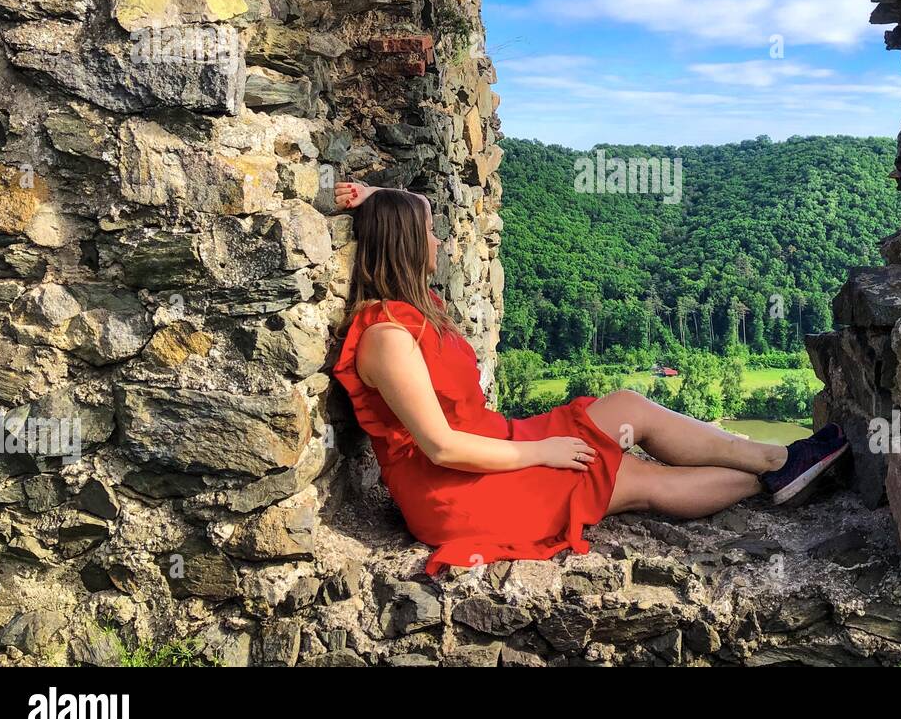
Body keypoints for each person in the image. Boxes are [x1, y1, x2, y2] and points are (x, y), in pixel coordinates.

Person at [329, 180, 848, 576]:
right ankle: (771, 481)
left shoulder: (412, 311)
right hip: (455, 490)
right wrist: (543, 453)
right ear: (404, 245)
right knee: (635, 479)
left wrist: (380, 197)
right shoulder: (388, 338)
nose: (438, 243)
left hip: (489, 444)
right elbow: (440, 448)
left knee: (627, 406)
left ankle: (779, 460)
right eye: (427, 233)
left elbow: (403, 213)